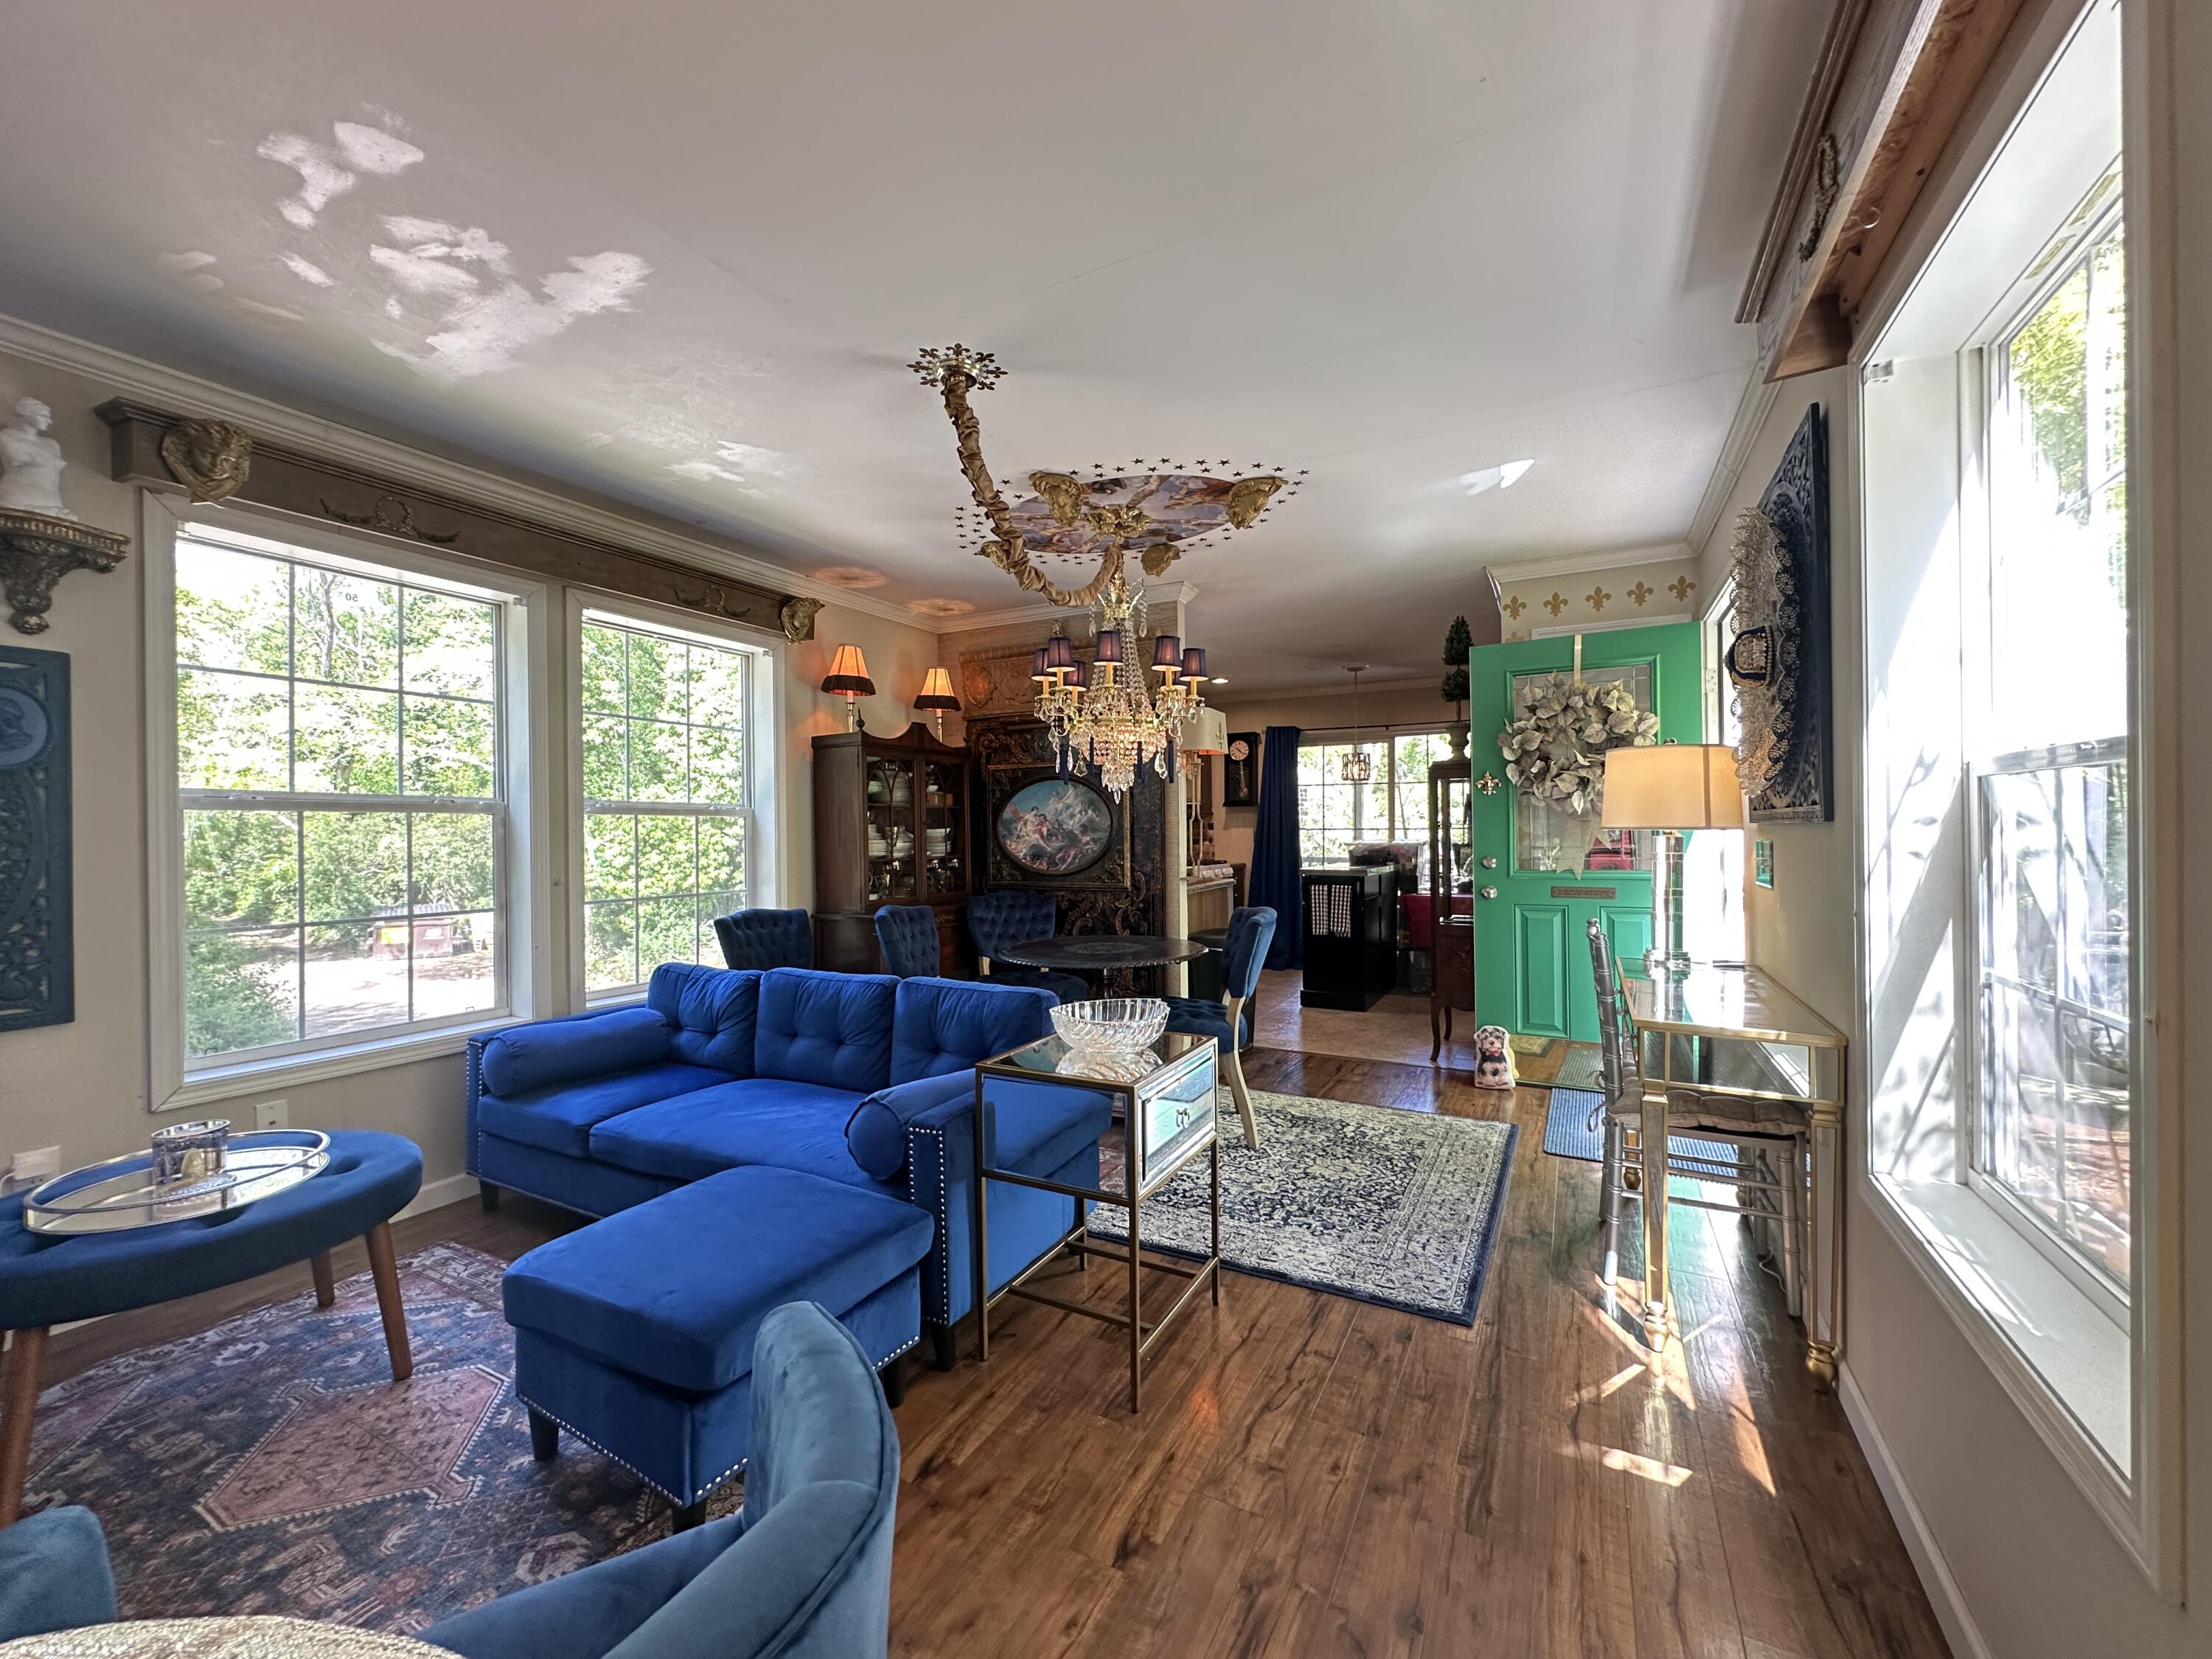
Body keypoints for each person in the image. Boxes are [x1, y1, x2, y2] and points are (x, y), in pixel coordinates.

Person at [0, 395, 74, 519]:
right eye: (44, 416)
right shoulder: (7, 437)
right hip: (19, 497)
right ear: (27, 415)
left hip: (54, 501)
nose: (49, 421)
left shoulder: (52, 445)